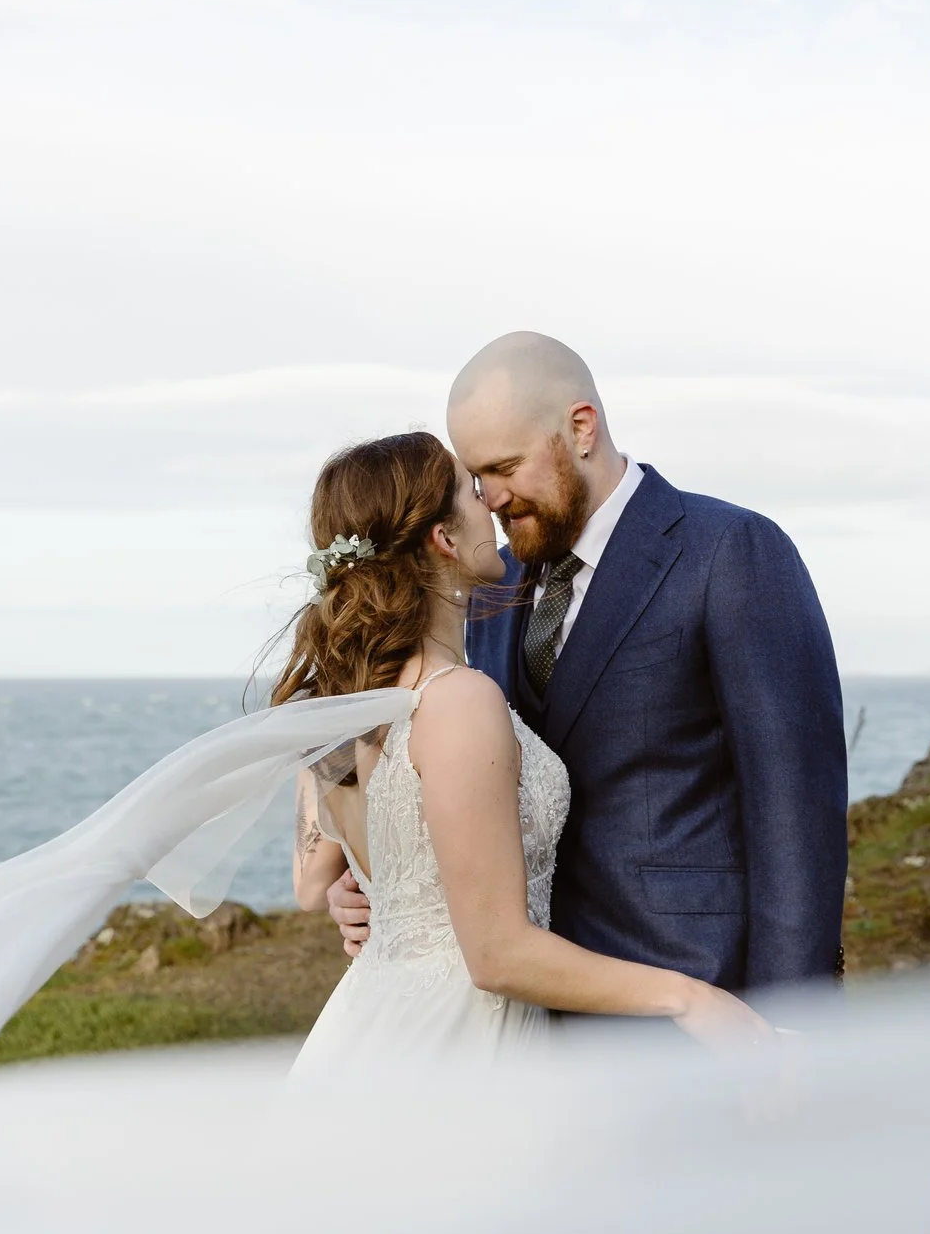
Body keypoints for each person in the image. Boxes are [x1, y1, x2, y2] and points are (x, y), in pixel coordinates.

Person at [327, 333, 849, 1004]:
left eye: (507, 466)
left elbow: (796, 812)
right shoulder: (486, 589)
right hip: (529, 1016)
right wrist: (388, 883)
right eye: (477, 476)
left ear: (580, 428)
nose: (489, 497)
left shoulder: (730, 553)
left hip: (700, 1008)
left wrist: (792, 1025)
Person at [277, 431, 772, 1069]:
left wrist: (377, 897)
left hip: (371, 1025)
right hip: (461, 1042)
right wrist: (691, 1000)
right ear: (445, 539)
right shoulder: (457, 699)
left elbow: (312, 883)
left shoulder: (337, 699)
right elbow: (498, 956)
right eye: (470, 490)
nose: (491, 500)